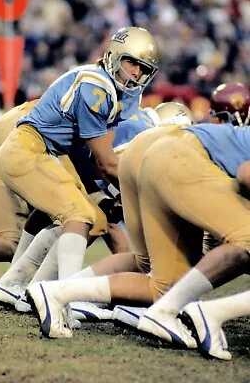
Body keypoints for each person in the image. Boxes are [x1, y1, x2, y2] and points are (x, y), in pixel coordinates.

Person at [25, 115, 250, 340]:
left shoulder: (224, 134)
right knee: (241, 241)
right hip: (175, 155)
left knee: (149, 267)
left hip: (149, 148)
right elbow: (245, 176)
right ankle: (170, 311)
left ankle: (59, 292)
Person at [0, 26, 160, 285]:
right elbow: (107, 162)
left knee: (89, 217)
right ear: (114, 55)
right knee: (80, 216)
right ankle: (60, 295)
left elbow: (95, 159)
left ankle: (16, 284)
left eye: (144, 69)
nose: (137, 73)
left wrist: (112, 194)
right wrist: (140, 195)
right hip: (27, 149)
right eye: (132, 63)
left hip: (42, 153)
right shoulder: (96, 87)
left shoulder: (113, 93)